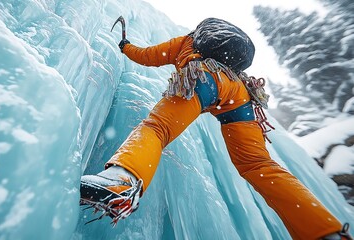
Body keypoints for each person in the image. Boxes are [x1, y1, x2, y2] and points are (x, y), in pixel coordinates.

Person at [80, 17, 352, 240]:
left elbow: (148, 56)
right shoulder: (233, 66)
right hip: (240, 93)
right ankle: (324, 231)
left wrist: (126, 46)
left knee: (157, 128)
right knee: (259, 165)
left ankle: (121, 181)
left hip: (204, 78)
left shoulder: (186, 42)